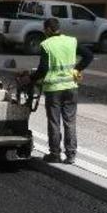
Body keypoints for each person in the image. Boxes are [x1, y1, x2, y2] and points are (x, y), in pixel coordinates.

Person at [26, 18, 94, 164]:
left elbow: (43, 69)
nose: (44, 33)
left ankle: (55, 154)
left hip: (53, 90)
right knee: (70, 121)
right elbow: (89, 56)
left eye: (45, 30)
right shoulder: (71, 41)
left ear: (49, 29)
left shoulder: (46, 45)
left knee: (54, 122)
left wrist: (31, 79)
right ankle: (70, 155)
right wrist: (77, 69)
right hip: (71, 87)